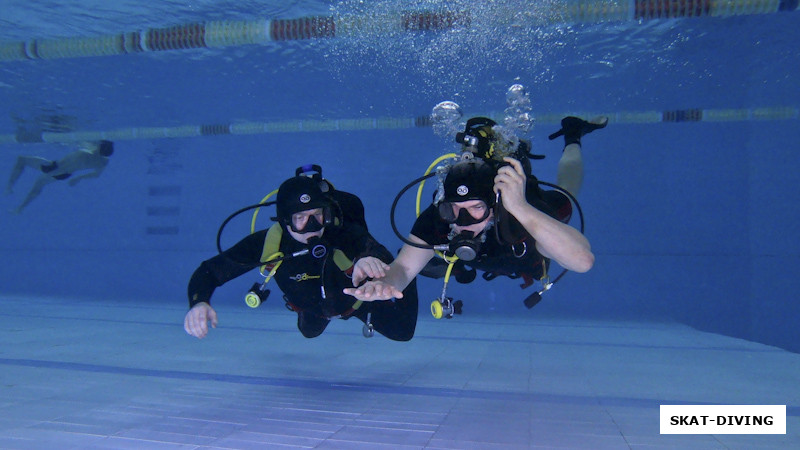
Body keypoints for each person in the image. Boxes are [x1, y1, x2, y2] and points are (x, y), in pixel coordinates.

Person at [344, 116, 605, 311]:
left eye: (476, 208)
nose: (462, 221)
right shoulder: (439, 219)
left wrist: (521, 208)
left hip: (528, 236)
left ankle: (572, 135)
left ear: (495, 206)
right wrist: (386, 283)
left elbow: (583, 261)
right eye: (454, 209)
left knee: (567, 190)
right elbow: (402, 268)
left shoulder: (523, 215)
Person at [184, 167, 418, 341]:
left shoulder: (341, 233)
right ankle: (317, 316)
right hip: (312, 309)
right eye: (300, 219)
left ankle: (413, 274)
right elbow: (209, 272)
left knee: (403, 332)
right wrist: (199, 302)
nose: (312, 226)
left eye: (317, 215)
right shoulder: (268, 245)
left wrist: (369, 260)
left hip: (355, 303)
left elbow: (375, 251)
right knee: (309, 332)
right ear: (285, 222)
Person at [6, 140, 114, 214]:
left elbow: (80, 149)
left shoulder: (87, 152)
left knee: (22, 160)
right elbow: (96, 175)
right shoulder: (103, 162)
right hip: (64, 174)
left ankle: (9, 188)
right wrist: (78, 178)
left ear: (100, 146)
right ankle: (20, 208)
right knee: (38, 184)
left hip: (53, 167)